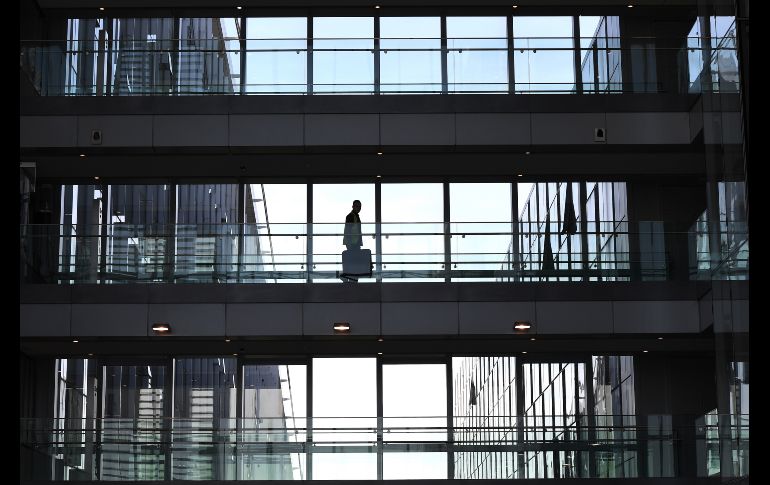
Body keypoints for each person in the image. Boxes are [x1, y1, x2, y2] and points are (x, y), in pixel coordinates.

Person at [342, 200, 362, 282]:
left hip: (355, 243)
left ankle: (353, 278)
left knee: (354, 262)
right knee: (353, 262)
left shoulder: (356, 216)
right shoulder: (351, 216)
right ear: (353, 206)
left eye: (359, 206)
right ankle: (351, 278)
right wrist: (349, 243)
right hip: (352, 243)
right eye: (357, 206)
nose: (358, 208)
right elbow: (348, 230)